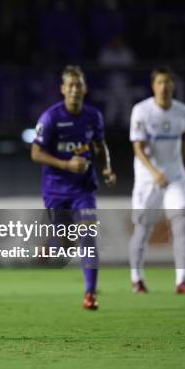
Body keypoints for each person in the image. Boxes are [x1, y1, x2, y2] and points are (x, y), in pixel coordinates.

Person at [31, 66, 116, 310]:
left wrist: (107, 168)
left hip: (83, 189)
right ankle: (53, 244)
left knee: (88, 237)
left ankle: (90, 293)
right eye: (70, 85)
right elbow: (35, 153)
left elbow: (100, 146)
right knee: (67, 244)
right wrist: (66, 164)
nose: (75, 90)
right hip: (55, 190)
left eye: (79, 85)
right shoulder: (50, 118)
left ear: (85, 89)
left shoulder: (93, 116)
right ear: (63, 89)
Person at [129, 67, 185, 294]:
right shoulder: (141, 111)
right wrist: (155, 172)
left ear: (173, 86)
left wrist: (178, 167)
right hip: (148, 177)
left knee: (181, 224)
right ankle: (136, 277)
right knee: (143, 228)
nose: (164, 87)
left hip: (175, 175)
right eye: (160, 82)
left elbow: (182, 141)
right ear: (153, 85)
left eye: (168, 82)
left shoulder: (183, 111)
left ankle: (181, 280)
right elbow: (137, 147)